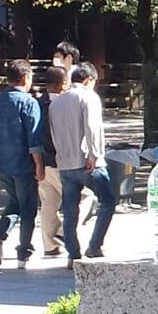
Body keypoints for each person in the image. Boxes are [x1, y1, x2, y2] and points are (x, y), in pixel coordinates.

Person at [48, 60, 115, 260]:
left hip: (65, 162)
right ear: (89, 79)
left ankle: (72, 253)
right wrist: (94, 155)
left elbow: (53, 133)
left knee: (70, 209)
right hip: (87, 161)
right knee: (108, 201)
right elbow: (92, 128)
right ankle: (94, 245)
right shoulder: (88, 97)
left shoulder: (57, 102)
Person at [0, 60, 44, 268]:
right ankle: (23, 252)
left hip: (1, 161)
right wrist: (39, 165)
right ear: (26, 78)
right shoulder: (28, 102)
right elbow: (34, 139)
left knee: (15, 202)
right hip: (23, 163)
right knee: (28, 208)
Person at [33, 64, 68, 257]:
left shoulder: (36, 104)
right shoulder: (63, 105)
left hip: (39, 160)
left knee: (48, 204)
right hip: (59, 160)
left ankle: (49, 245)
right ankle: (63, 232)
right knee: (85, 196)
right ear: (63, 83)